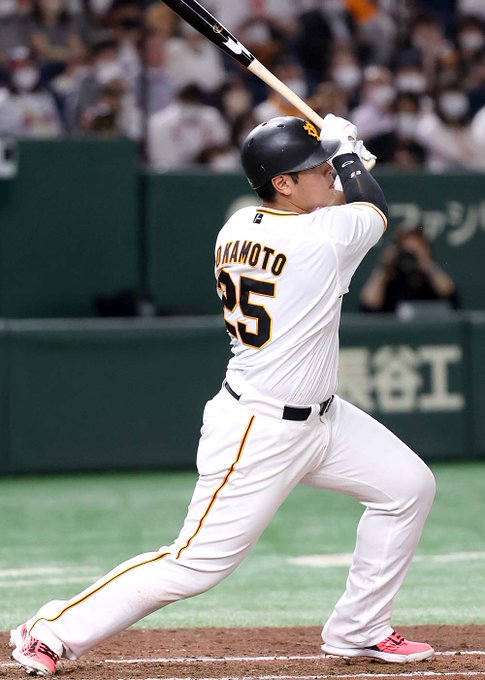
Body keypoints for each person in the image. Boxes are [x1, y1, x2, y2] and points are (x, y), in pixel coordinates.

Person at [10, 114, 437, 676]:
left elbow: (338, 207)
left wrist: (342, 162)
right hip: (261, 428)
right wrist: (351, 159)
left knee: (408, 486)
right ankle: (50, 630)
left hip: (323, 419)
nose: (326, 173)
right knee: (196, 563)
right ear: (282, 183)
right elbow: (372, 210)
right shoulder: (322, 238)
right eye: (314, 168)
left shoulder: (240, 224)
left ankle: (359, 628)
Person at [360, 226, 459, 313]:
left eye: (416, 249)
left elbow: (449, 293)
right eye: (406, 249)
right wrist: (385, 266)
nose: (410, 255)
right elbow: (369, 303)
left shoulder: (430, 277)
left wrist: (426, 262)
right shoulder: (392, 277)